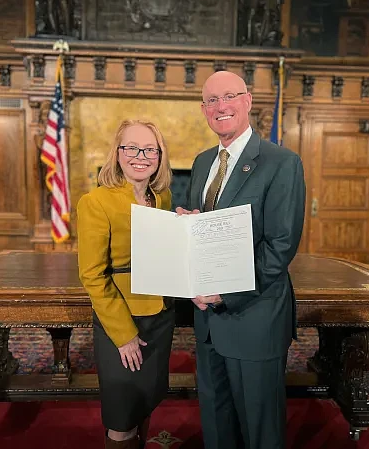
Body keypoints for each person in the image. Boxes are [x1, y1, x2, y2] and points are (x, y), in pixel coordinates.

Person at [176, 71, 306, 449]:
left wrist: (224, 294)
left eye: (229, 96)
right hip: (208, 323)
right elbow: (211, 230)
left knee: (259, 431)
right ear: (204, 110)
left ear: (248, 101)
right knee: (217, 427)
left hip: (254, 319)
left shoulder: (281, 162)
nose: (221, 107)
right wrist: (190, 226)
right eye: (212, 100)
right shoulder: (203, 162)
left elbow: (280, 246)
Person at [77, 119, 175, 449]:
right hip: (122, 322)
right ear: (117, 154)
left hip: (159, 316)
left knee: (145, 403)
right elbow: (92, 275)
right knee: (122, 417)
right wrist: (124, 334)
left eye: (149, 149)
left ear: (160, 156)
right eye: (131, 147)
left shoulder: (161, 197)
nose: (140, 156)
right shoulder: (96, 201)